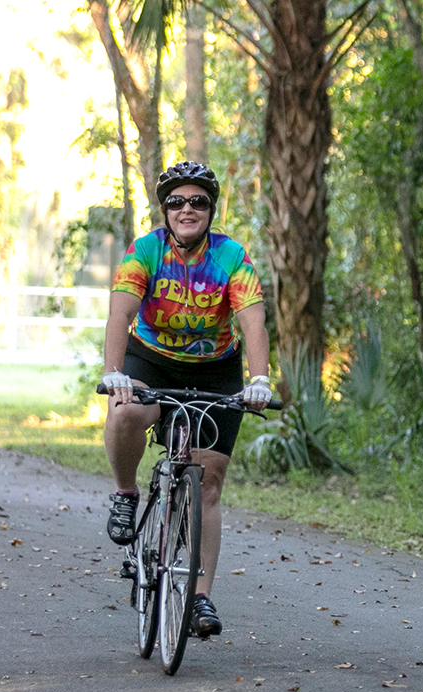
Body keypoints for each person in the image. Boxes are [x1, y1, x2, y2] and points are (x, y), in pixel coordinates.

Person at [100, 160, 271, 638]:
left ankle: (199, 597)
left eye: (198, 201)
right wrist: (115, 372)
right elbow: (120, 315)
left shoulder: (231, 257)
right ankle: (126, 493)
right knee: (126, 410)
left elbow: (252, 321)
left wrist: (259, 379)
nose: (187, 209)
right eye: (177, 201)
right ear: (165, 210)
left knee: (208, 482)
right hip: (151, 358)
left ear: (210, 210)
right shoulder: (145, 251)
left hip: (216, 369)